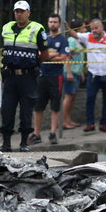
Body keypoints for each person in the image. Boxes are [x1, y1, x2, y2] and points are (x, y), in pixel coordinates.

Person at [0, 0, 49, 152]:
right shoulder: (7, 27)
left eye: (22, 11)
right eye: (17, 11)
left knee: (26, 110)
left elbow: (45, 54)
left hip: (28, 77)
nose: (19, 14)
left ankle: (24, 143)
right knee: (7, 109)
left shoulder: (37, 29)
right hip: (10, 76)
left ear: (28, 13)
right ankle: (6, 143)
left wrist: (33, 64)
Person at [67, 18, 106, 134]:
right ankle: (90, 123)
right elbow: (75, 34)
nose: (94, 31)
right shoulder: (88, 36)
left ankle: (103, 124)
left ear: (102, 28)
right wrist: (67, 27)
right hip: (93, 74)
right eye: (92, 28)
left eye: (96, 28)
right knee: (90, 99)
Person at [31, 14, 70, 146]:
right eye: (50, 22)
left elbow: (64, 57)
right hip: (42, 75)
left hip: (56, 76)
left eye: (55, 22)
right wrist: (54, 54)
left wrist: (47, 55)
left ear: (59, 24)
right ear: (47, 23)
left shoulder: (63, 39)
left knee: (55, 106)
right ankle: (36, 133)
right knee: (38, 106)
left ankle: (53, 133)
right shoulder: (43, 38)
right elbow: (38, 55)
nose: (52, 24)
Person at [62, 18, 85, 130]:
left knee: (72, 97)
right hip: (70, 72)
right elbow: (67, 56)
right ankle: (64, 121)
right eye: (84, 27)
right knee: (68, 97)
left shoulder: (78, 41)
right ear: (79, 28)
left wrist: (80, 72)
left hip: (76, 72)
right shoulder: (71, 40)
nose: (85, 29)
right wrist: (69, 72)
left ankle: (68, 119)